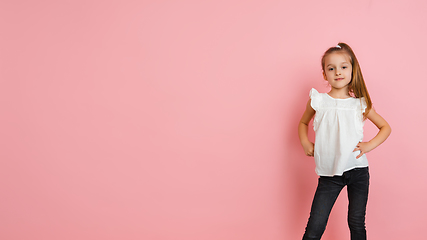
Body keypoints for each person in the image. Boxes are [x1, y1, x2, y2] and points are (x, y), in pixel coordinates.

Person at [298, 42, 391, 240]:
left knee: (356, 222)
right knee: (315, 225)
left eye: (343, 67)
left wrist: (368, 146)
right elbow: (303, 122)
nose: (338, 72)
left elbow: (385, 127)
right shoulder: (319, 101)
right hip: (329, 173)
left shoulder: (360, 104)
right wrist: (306, 142)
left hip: (357, 171)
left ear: (352, 70)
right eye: (331, 68)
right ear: (325, 74)